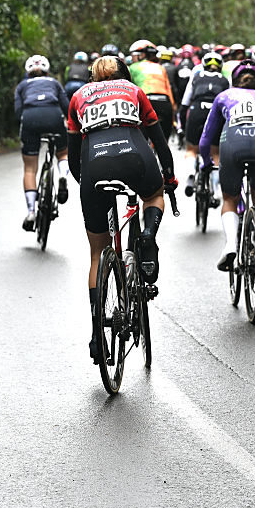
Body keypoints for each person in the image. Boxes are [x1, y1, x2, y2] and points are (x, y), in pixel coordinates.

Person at [66, 56, 176, 363]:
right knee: (153, 196)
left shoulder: (78, 97)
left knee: (96, 254)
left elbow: (74, 156)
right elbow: (158, 139)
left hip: (94, 165)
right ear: (123, 73)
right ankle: (148, 236)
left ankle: (97, 336)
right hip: (135, 154)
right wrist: (168, 178)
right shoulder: (133, 90)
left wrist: (86, 184)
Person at [200, 61, 255, 272]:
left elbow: (206, 140)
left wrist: (207, 163)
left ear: (233, 82)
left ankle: (230, 246)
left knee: (229, 198)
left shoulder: (224, 96)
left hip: (233, 144)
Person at [14, 54, 70, 231]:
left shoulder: (22, 86)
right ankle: (62, 176)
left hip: (30, 117)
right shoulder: (54, 83)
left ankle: (31, 211)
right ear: (46, 71)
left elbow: (17, 112)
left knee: (30, 168)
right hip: (53, 115)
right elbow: (66, 106)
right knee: (62, 153)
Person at [180, 51, 229, 203]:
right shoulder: (225, 80)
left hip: (196, 110)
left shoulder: (196, 77)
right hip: (216, 111)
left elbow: (184, 103)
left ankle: (190, 176)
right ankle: (216, 190)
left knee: (191, 150)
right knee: (215, 152)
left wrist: (182, 126)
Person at [127, 40, 176, 140]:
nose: (132, 58)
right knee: (163, 144)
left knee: (142, 141)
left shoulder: (132, 67)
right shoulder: (161, 67)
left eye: (133, 55)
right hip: (165, 102)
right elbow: (169, 91)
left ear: (141, 55)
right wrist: (173, 110)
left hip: (147, 101)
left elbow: (128, 89)